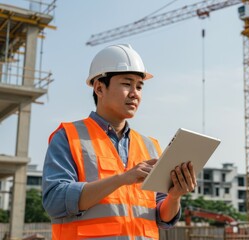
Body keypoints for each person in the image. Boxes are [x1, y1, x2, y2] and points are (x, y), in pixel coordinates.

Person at [42, 44, 197, 240]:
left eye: (139, 86)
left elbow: (161, 217)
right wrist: (122, 179)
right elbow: (55, 201)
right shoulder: (68, 136)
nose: (135, 93)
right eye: (127, 84)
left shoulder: (150, 146)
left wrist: (174, 197)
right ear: (99, 87)